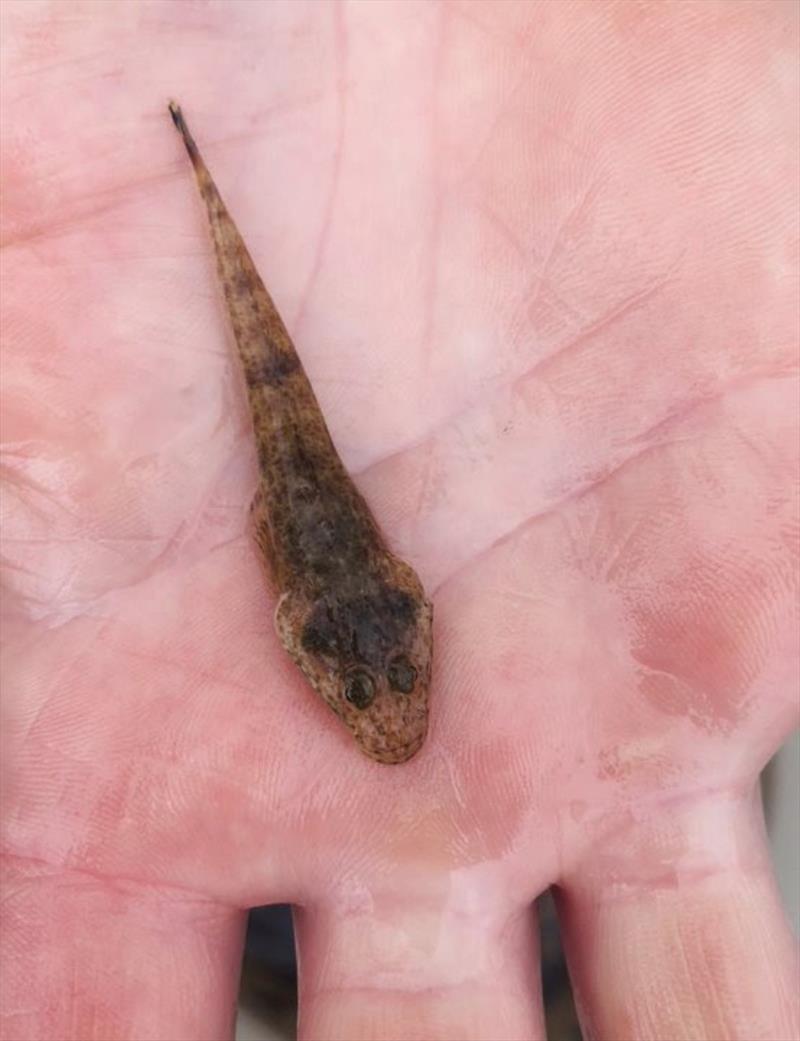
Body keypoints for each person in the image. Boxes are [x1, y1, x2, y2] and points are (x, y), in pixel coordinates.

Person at [2, 2, 798, 1039]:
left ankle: (450, 959)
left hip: (322, 538)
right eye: (378, 687)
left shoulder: (354, 620)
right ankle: (306, 970)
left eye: (379, 685)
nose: (390, 714)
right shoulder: (337, 619)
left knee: (594, 828)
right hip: (305, 535)